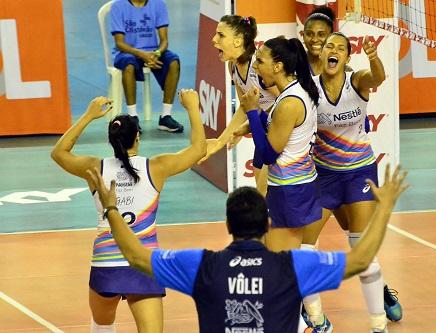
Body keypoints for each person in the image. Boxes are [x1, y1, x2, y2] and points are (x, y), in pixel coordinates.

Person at [87, 163, 408, 333]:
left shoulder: (202, 266)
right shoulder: (293, 266)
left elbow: (135, 255)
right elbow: (361, 258)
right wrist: (384, 208)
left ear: (228, 227)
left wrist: (112, 209)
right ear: (268, 224)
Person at [50, 90, 206, 333]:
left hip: (105, 263)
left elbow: (59, 153)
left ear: (112, 140)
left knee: (103, 325)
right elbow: (198, 150)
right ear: (138, 137)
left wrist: (88, 116)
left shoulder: (94, 168)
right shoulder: (157, 166)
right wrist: (193, 108)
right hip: (143, 263)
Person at [236, 36, 334, 332]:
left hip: (291, 190)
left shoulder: (289, 102)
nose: (257, 66)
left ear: (278, 66)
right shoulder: (295, 91)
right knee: (293, 258)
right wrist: (256, 121)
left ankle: (313, 323)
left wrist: (252, 112)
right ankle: (317, 320)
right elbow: (275, 135)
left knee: (280, 267)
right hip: (297, 186)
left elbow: (268, 153)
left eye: (262, 61)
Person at [305, 32, 399, 333]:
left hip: (359, 172)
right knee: (305, 249)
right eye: (329, 46)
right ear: (321, 55)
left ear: (346, 57)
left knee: (361, 250)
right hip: (323, 176)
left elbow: (378, 76)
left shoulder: (356, 82)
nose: (333, 50)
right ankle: (318, 320)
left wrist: (373, 57)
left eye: (340, 48)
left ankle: (378, 324)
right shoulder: (309, 90)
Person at [199, 15, 279, 195]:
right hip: (266, 128)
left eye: (220, 35)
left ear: (237, 41)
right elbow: (245, 107)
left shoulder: (260, 67)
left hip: (282, 133)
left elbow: (289, 100)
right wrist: (221, 141)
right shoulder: (233, 67)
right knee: (261, 190)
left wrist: (249, 127)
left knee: (265, 191)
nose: (213, 40)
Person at [110, 0, 184, 132]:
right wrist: (141, 54)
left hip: (152, 52)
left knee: (173, 62)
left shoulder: (158, 4)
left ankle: (165, 116)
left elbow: (164, 40)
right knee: (129, 66)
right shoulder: (118, 6)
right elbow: (119, 43)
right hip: (127, 52)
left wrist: (157, 53)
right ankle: (132, 118)